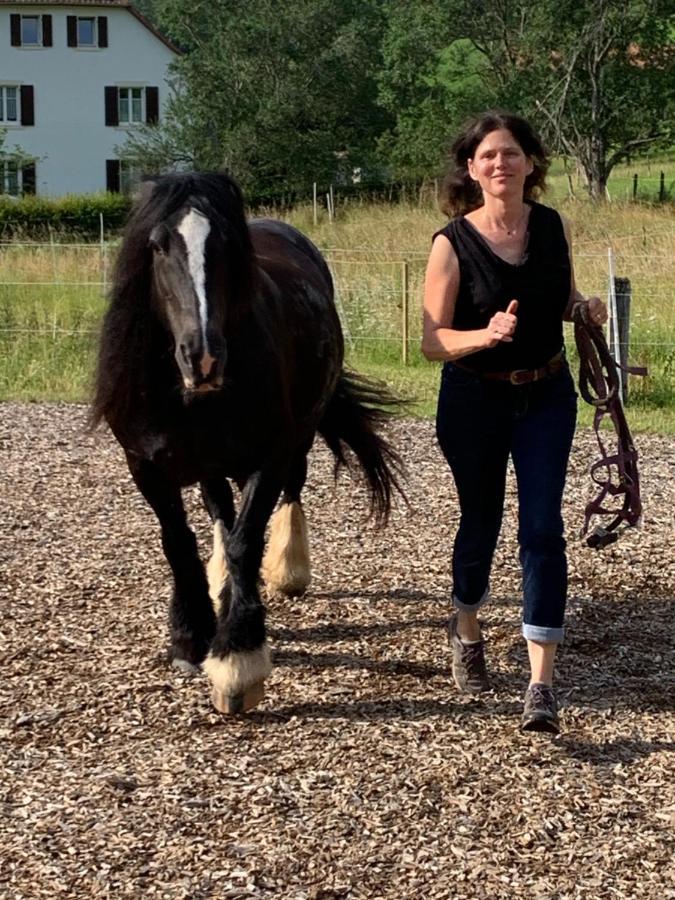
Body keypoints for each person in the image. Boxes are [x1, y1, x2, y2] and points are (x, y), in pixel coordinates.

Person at [422, 111, 607, 733]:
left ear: (531, 163)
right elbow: (431, 341)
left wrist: (583, 309)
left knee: (541, 528)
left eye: (511, 153)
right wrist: (484, 335)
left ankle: (540, 684)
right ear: (472, 170)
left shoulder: (551, 226)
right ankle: (467, 625)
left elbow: (560, 297)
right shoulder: (451, 242)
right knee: (482, 521)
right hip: (474, 399)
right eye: (488, 156)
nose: (501, 164)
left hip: (547, 395)